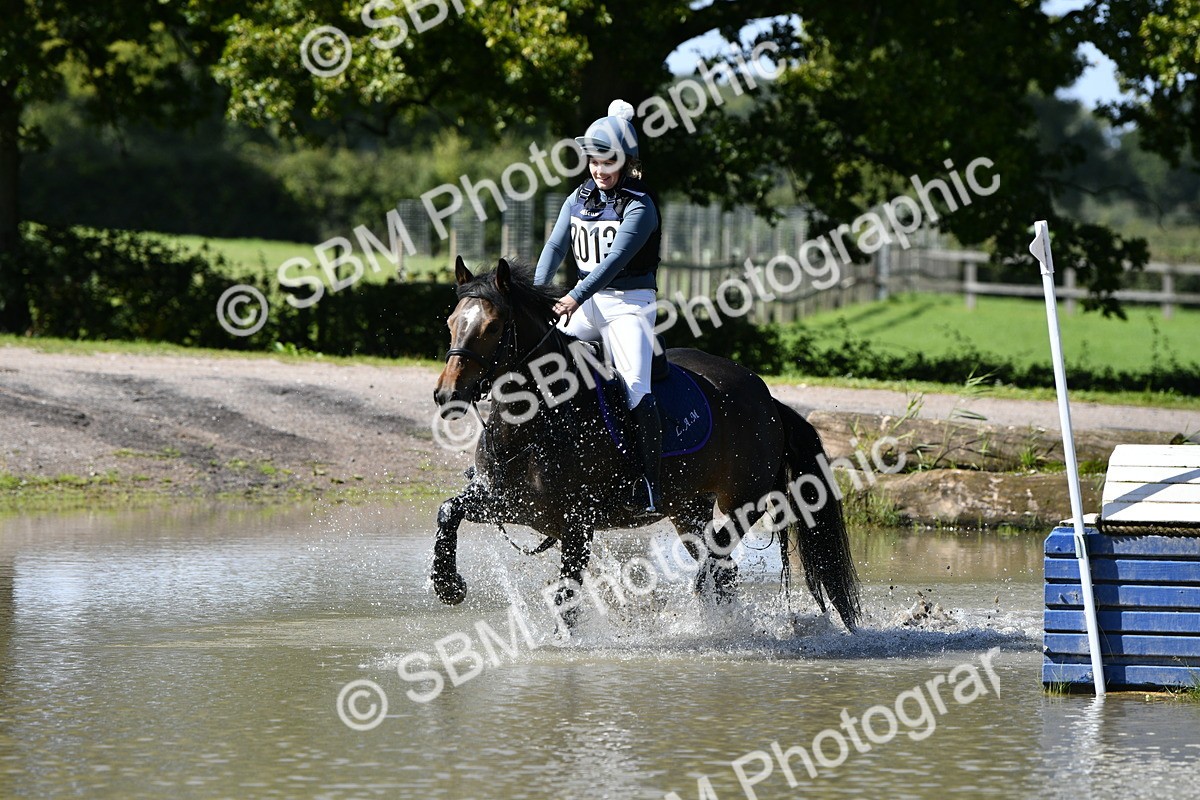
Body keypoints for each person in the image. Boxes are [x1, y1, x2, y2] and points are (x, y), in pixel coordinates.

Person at [534, 99, 664, 515]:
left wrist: (573, 296)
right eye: (593, 160)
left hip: (629, 306)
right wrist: (536, 296)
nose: (599, 169)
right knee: (536, 360)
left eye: (608, 161)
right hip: (586, 303)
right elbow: (555, 246)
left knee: (634, 386)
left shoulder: (640, 205)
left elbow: (612, 265)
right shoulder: (578, 198)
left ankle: (647, 483)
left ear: (626, 161)